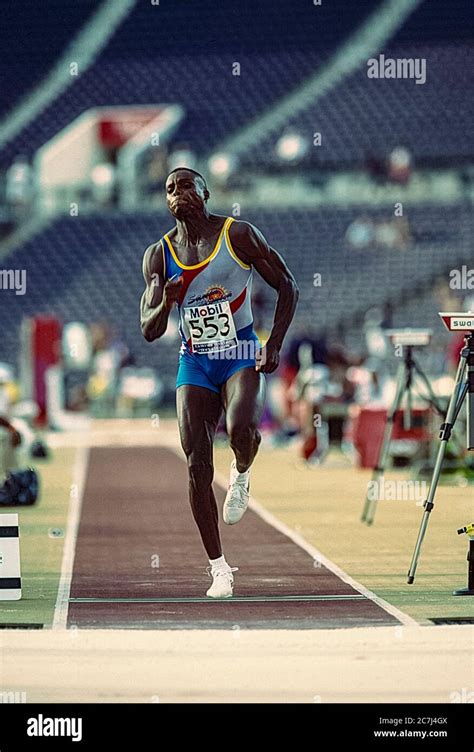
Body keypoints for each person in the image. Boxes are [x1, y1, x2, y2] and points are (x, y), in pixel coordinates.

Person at [140, 168, 299, 597]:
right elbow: (149, 328)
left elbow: (288, 286)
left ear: (206, 192)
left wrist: (274, 344)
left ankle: (242, 470)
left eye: (186, 184)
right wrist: (167, 302)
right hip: (195, 361)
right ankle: (219, 568)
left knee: (243, 430)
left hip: (242, 350)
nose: (177, 192)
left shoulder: (239, 235)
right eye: (169, 188)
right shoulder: (159, 255)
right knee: (195, 462)